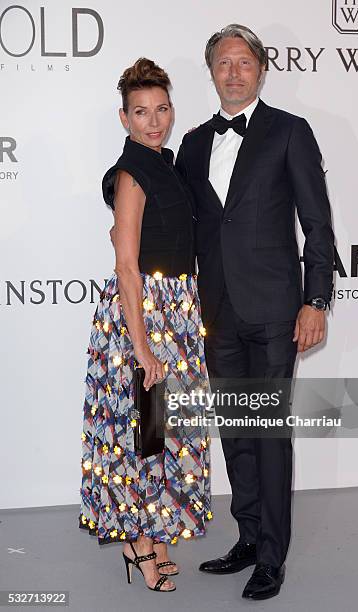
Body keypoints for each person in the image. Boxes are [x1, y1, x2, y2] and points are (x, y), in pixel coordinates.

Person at [175, 24, 335, 600]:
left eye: (244, 62)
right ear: (212, 71)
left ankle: (272, 555)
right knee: (236, 431)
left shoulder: (290, 132)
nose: (234, 72)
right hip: (215, 309)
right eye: (223, 62)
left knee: (268, 433)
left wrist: (315, 299)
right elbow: (178, 216)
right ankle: (246, 537)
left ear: (261, 70)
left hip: (273, 309)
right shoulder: (193, 144)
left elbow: (317, 223)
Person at [78, 58, 212, 593]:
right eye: (141, 112)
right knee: (143, 434)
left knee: (164, 432)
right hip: (145, 317)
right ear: (123, 117)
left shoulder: (168, 164)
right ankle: (137, 546)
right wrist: (142, 347)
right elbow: (127, 267)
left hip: (176, 314)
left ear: (172, 111)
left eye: (161, 109)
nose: (153, 121)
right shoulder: (132, 174)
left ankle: (154, 536)